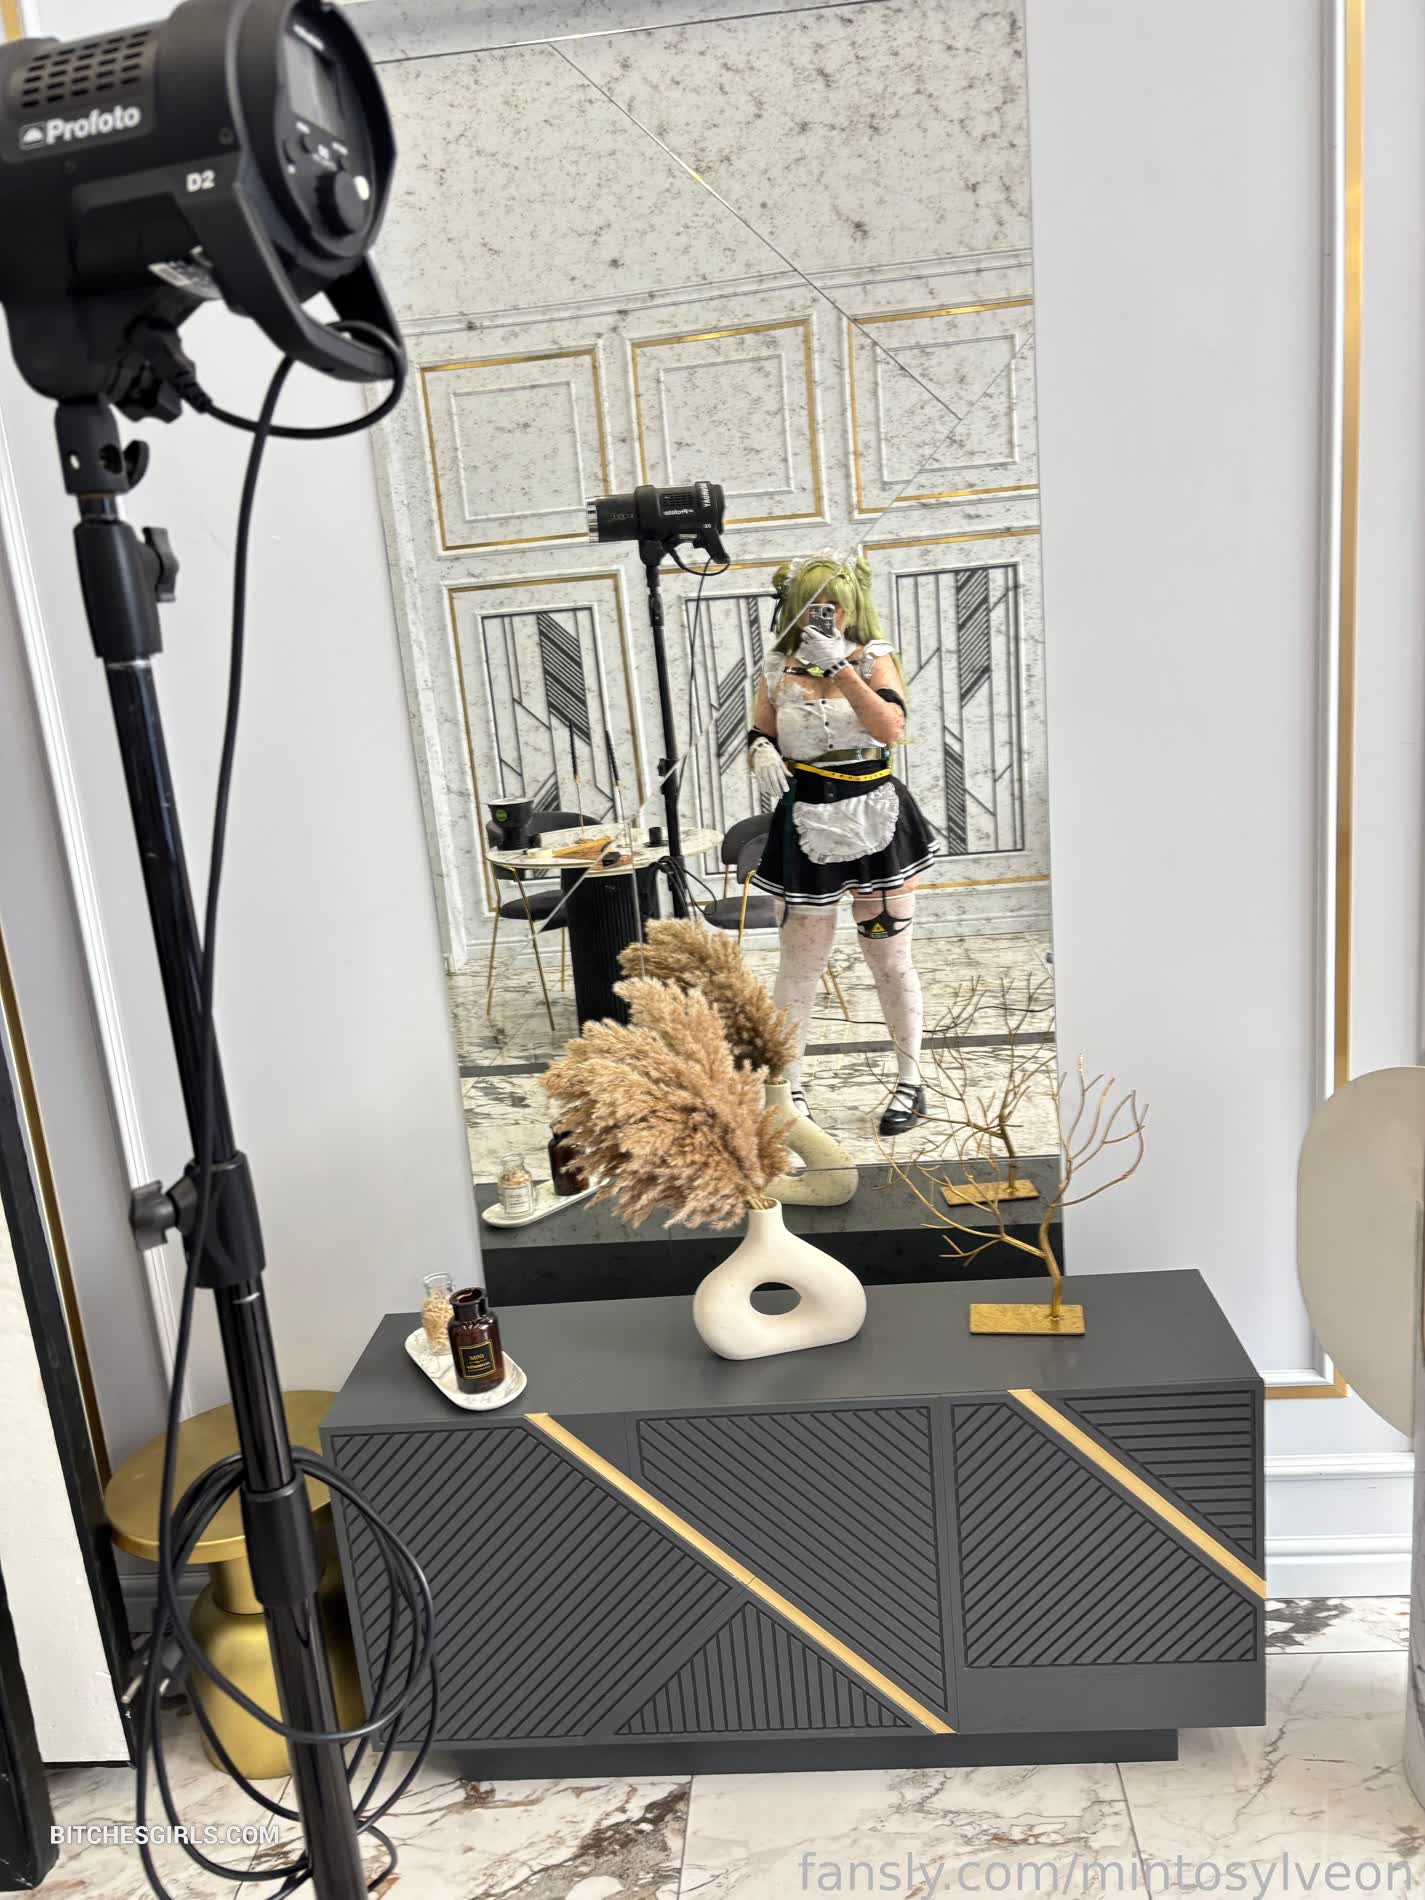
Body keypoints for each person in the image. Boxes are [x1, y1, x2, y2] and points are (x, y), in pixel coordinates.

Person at [747, 551, 934, 1138]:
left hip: (877, 818)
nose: (821, 615)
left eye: (832, 606)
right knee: (799, 966)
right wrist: (759, 749)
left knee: (889, 960)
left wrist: (842, 669)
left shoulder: (875, 659)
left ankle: (910, 1081)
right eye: (810, 605)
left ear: (852, 607)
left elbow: (890, 729)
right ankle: (787, 1090)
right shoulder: (775, 668)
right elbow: (761, 730)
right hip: (806, 821)